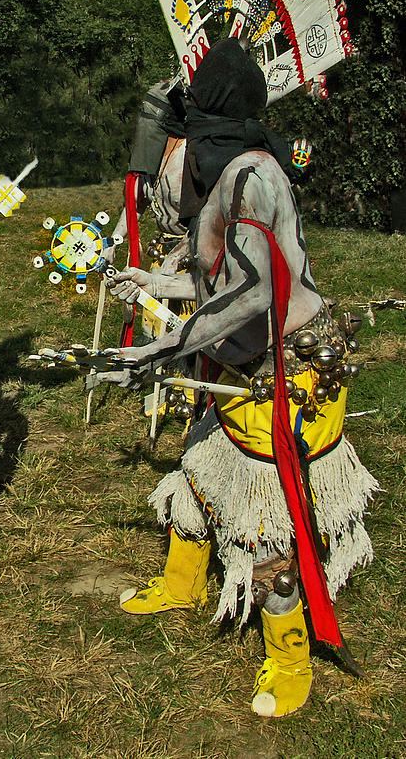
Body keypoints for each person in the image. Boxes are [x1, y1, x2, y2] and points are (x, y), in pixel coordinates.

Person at [104, 39, 378, 717]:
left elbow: (255, 292)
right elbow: (220, 280)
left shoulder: (255, 176)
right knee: (197, 470)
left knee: (265, 528)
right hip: (241, 366)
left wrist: (165, 347)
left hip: (283, 375)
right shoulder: (235, 175)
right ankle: (183, 583)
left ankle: (289, 658)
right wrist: (156, 281)